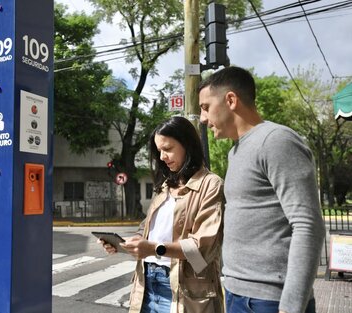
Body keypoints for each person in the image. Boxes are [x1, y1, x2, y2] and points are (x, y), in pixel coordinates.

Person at [198, 66, 326, 313]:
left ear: (231, 100)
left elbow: (308, 225)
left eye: (205, 107)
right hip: (237, 294)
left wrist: (291, 305)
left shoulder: (276, 140)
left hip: (270, 302)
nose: (203, 119)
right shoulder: (235, 151)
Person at [99, 116, 225, 313]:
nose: (163, 157)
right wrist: (127, 243)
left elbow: (202, 248)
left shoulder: (211, 184)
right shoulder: (165, 185)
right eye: (159, 151)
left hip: (184, 289)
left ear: (187, 145)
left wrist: (154, 249)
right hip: (146, 283)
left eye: (168, 149)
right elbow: (147, 229)